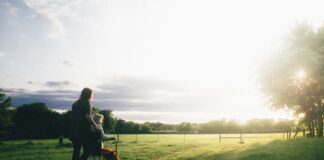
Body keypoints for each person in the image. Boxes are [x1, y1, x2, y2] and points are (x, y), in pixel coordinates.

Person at [69, 88, 100, 160]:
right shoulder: (87, 102)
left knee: (76, 152)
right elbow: (87, 116)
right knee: (87, 151)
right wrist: (95, 126)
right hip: (83, 131)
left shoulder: (75, 103)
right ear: (89, 94)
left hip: (73, 130)